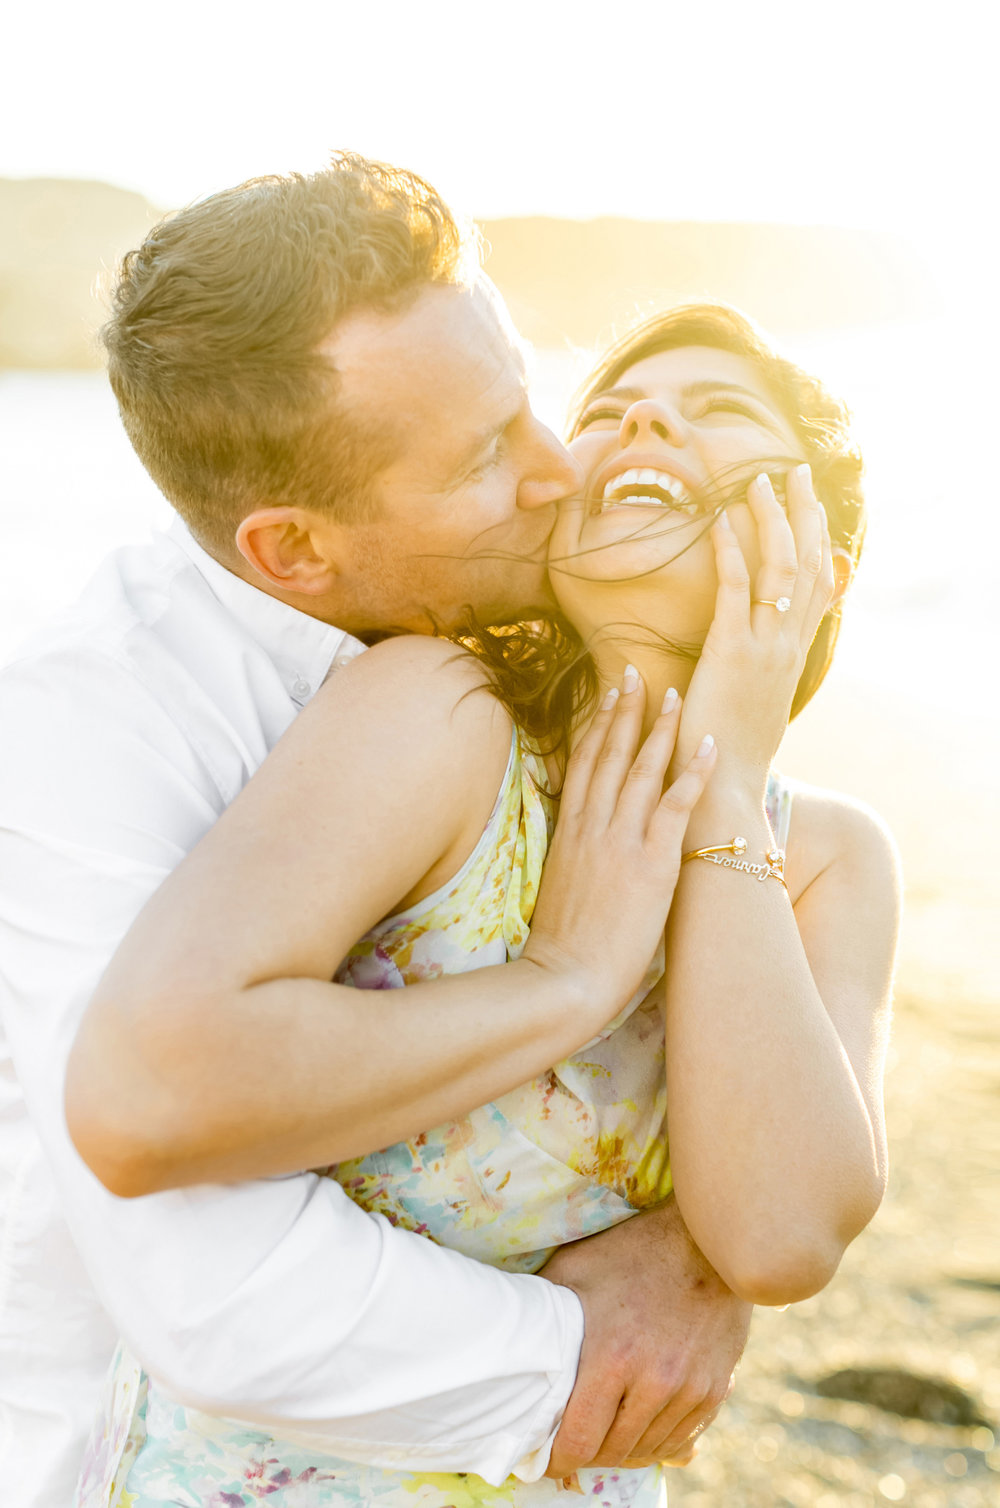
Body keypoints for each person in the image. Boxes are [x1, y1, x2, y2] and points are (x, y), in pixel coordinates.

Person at [0, 157, 750, 1508]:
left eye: (532, 401)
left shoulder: (510, 632)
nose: (560, 468)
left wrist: (702, 1239)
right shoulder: (85, 734)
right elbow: (205, 1282)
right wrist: (579, 1341)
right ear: (292, 551)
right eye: (482, 457)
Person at [66, 303, 899, 1508]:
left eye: (716, 412)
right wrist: (566, 975)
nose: (644, 418)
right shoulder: (444, 713)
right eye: (607, 412)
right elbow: (155, 1080)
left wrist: (717, 783)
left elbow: (779, 1234)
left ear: (820, 554)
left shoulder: (825, 855)